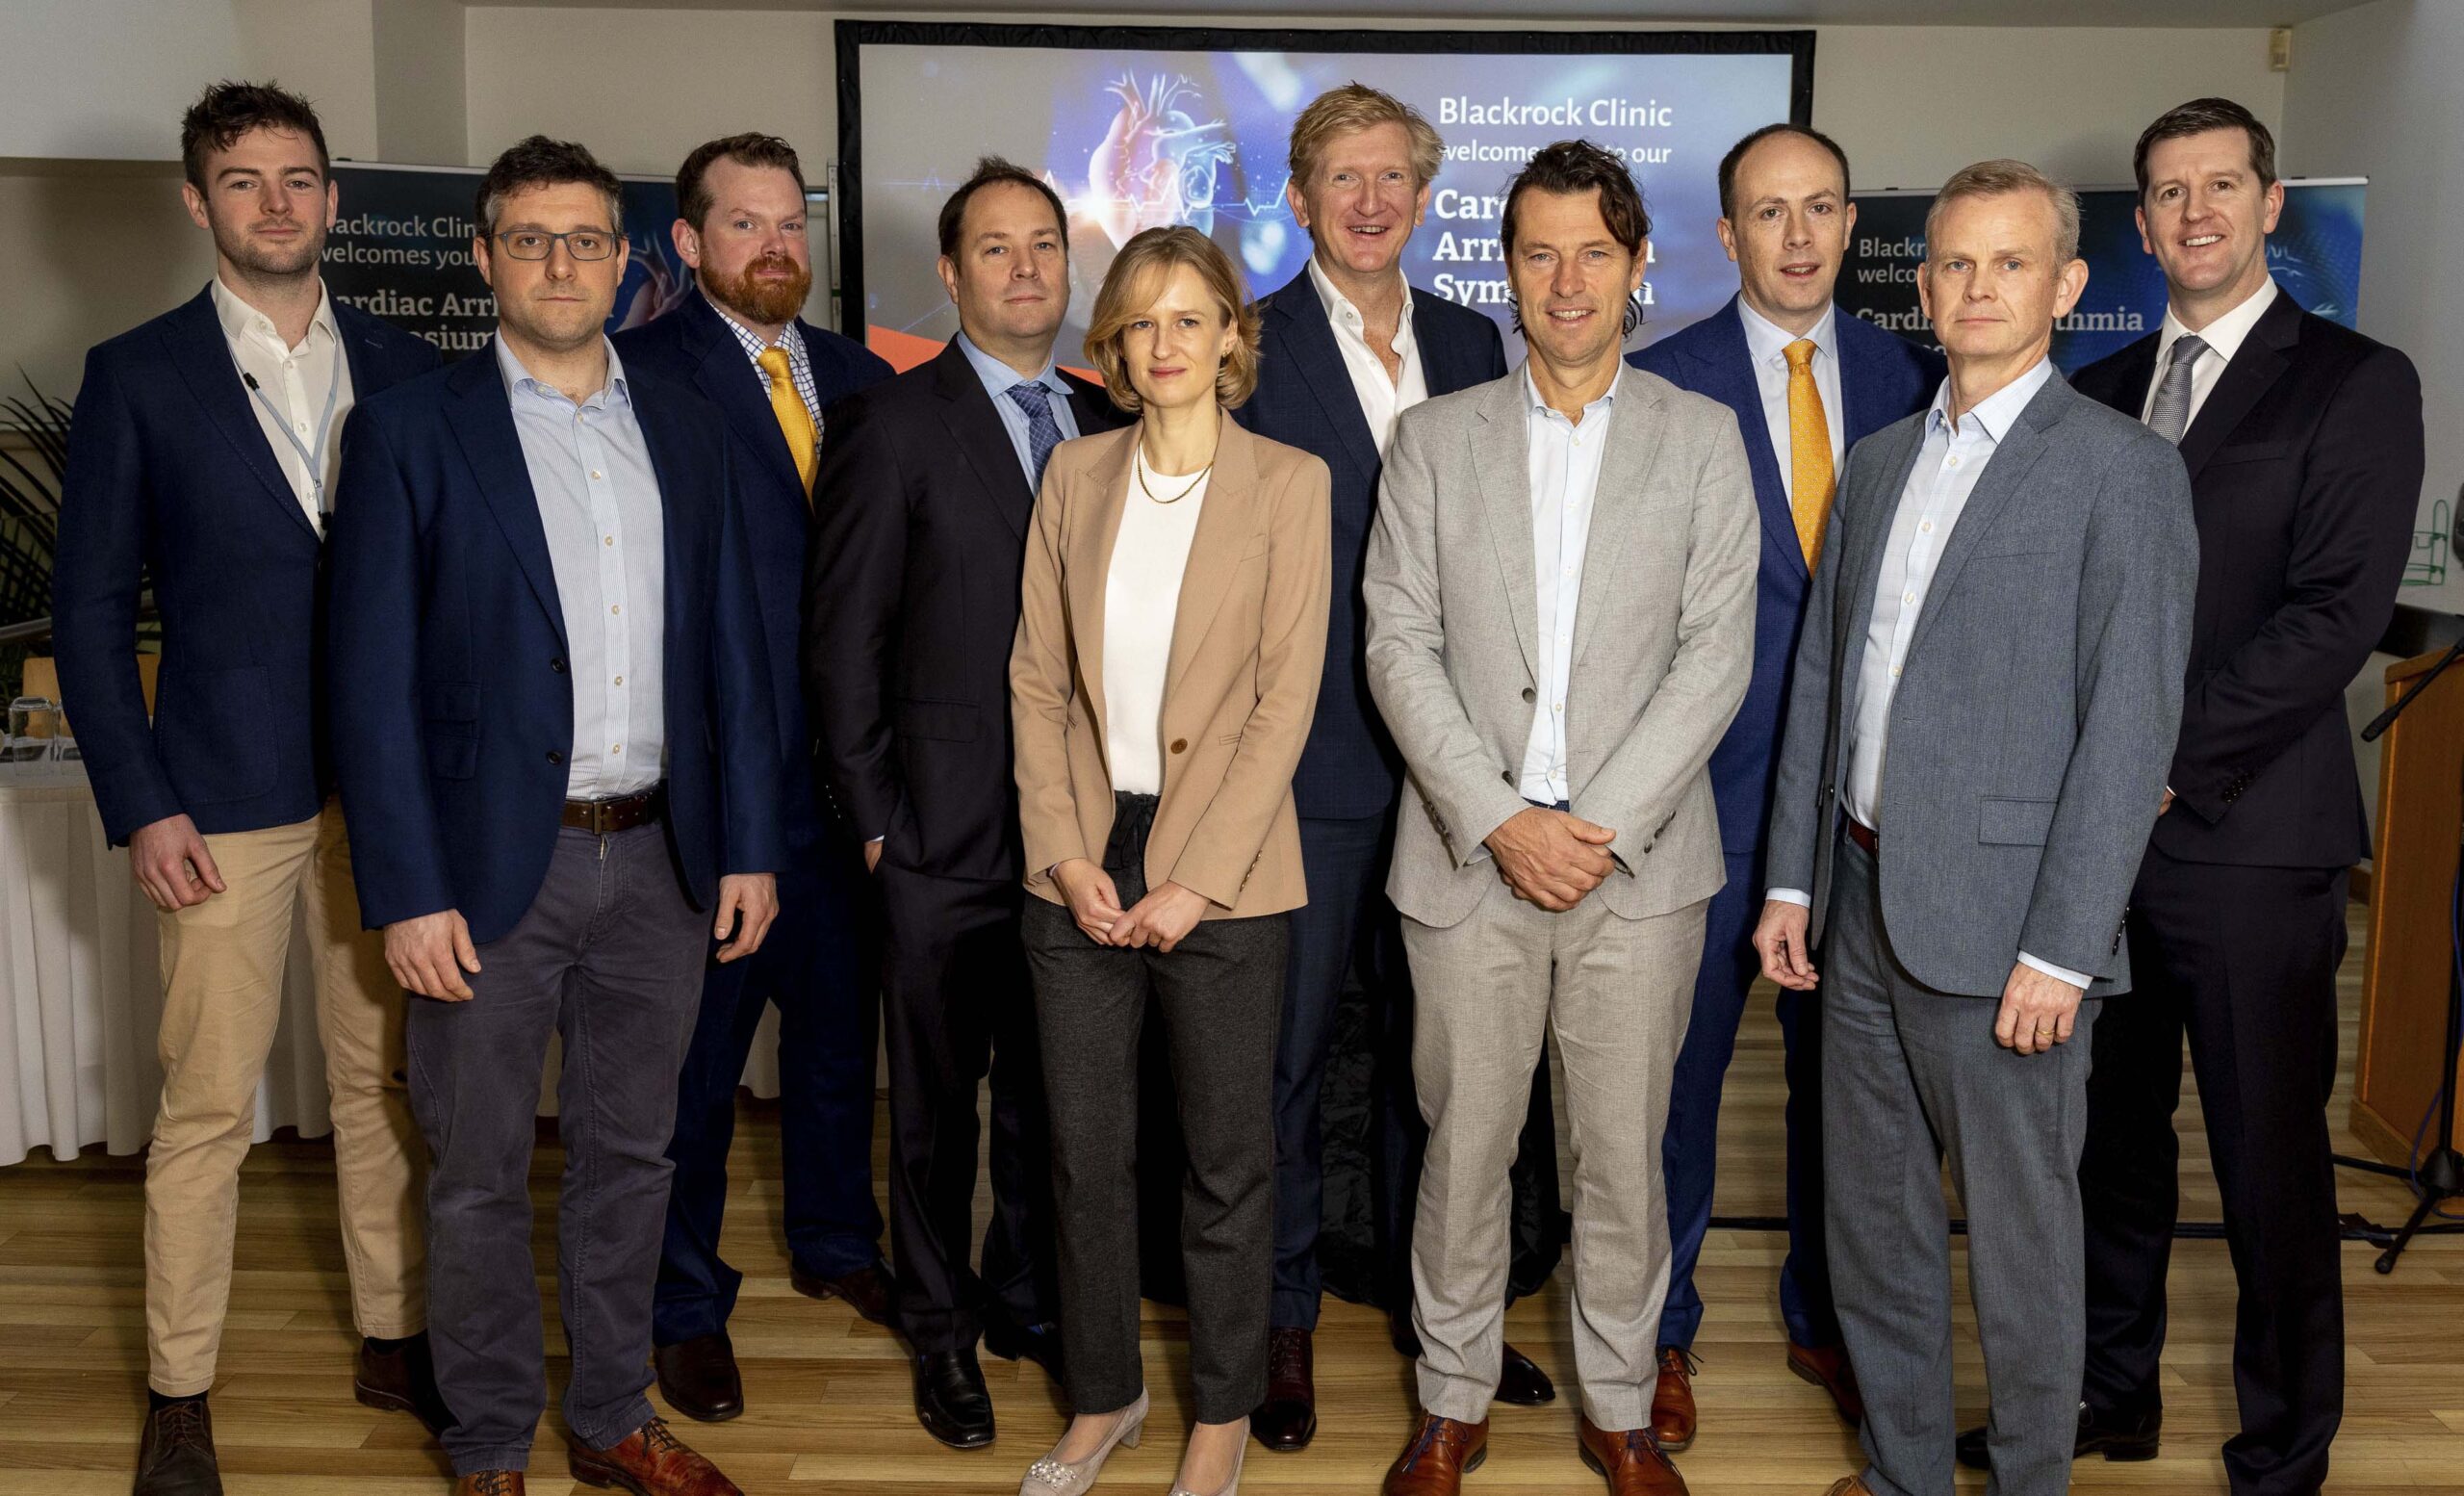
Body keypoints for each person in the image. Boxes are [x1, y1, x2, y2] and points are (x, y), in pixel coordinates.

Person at [1959, 98, 2421, 1495]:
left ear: (2270, 205)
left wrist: (2147, 762)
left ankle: (2284, 1449)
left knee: (2269, 1165)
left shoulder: (2354, 381)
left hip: (2249, 839)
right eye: (2169, 192)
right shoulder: (2092, 393)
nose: (2195, 211)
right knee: (2107, 1149)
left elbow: (2334, 616)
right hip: (2092, 862)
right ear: (2143, 223)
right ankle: (2112, 1393)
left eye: (2222, 185)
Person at [326, 135, 782, 1496]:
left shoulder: (689, 424)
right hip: (482, 877)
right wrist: (406, 888)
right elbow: (369, 685)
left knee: (631, 1158)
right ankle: (484, 1443)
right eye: (530, 240)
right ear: (485, 258)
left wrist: (748, 843)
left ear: (627, 258)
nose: (561, 265)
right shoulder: (410, 430)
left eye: (586, 240)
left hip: (662, 859)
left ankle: (610, 1417)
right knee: (475, 1173)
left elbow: (736, 655)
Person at [1753, 160, 2196, 1496]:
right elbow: (1826, 682)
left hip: (2009, 935)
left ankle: (2028, 1480)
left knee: (2020, 1245)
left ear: (2067, 286)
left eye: (2011, 263)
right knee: (1874, 1227)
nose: (1979, 287)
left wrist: (2064, 949)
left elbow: (2130, 731)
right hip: (1859, 903)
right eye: (1955, 262)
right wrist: (1792, 883)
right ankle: (1902, 1473)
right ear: (1925, 285)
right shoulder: (1881, 461)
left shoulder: (2125, 473)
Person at [49, 80, 447, 1496]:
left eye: (298, 179)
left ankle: (396, 1338)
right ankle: (180, 1390)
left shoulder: (408, 365)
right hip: (216, 800)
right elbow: (91, 612)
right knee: (208, 1106)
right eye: (243, 180)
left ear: (334, 199)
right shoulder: (137, 374)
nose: (275, 204)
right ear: (197, 201)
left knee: (382, 1086)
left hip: (387, 798)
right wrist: (142, 799)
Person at [1364, 140, 1757, 1496]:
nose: (1569, 280)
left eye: (1596, 252)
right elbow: (1397, 646)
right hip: (1469, 865)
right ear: (1509, 270)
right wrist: (1499, 818)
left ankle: (1620, 1402)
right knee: (1464, 1148)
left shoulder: (1703, 439)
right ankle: (1451, 1397)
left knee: (1622, 1160)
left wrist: (1593, 824)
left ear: (1638, 265)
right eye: (1541, 253)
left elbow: (1717, 655)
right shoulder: (1434, 441)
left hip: (1636, 872)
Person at [1233, 84, 1560, 1452]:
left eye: (1392, 180)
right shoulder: (1248, 342)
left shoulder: (1479, 341)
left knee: (1451, 1069)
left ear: (1425, 201)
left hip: (1465, 774)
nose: (1369, 203)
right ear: (1299, 198)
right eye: (1342, 178)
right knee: (1292, 1061)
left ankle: (1449, 1324)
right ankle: (1282, 1320)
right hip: (1307, 770)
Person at [1626, 121, 1940, 1448]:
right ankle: (1658, 1331)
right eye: (1769, 211)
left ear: (1853, 222)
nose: (1799, 235)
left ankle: (1832, 1318)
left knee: (1854, 1099)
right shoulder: (1660, 382)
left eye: (1821, 208)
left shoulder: (1919, 375)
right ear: (1727, 232)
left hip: (1864, 807)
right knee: (1673, 1089)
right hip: (1703, 798)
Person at [806, 156, 1125, 1449]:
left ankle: (1026, 1300)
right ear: (950, 273)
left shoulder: (1110, 416)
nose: (1025, 267)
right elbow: (842, 645)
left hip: (1083, 839)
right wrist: (878, 820)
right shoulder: (890, 422)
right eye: (995, 248)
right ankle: (940, 1331)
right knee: (936, 1114)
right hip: (938, 837)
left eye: (1043, 244)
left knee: (1055, 1098)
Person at [1010, 222, 1330, 1496]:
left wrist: (1194, 877)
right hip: (1084, 856)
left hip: (1228, 867)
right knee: (1084, 1155)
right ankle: (1106, 1397)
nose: (1166, 343)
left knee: (1226, 1161)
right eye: (1141, 321)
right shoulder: (1074, 474)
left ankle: (1221, 1413)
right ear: (1114, 345)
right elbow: (1036, 682)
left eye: (1190, 317)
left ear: (1232, 337)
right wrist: (1063, 854)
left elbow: (1284, 702)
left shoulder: (1291, 483)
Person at [610, 131, 897, 1424]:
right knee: (696, 1074)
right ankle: (683, 1304)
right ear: (688, 241)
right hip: (716, 795)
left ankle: (836, 1240)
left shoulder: (859, 375)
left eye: (791, 224)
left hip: (847, 792)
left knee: (839, 1047)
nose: (776, 246)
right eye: (745, 224)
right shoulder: (635, 374)